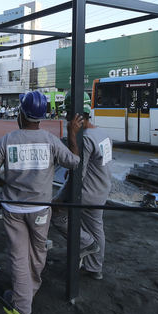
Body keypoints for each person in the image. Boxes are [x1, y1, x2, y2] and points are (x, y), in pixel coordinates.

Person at [0, 91, 82, 314]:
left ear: (21, 114)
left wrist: (3, 183)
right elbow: (74, 162)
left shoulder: (8, 140)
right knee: (38, 253)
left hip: (13, 209)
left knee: (18, 255)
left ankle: (22, 303)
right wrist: (72, 135)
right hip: (40, 210)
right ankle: (28, 290)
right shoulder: (50, 140)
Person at [52, 92, 112, 280]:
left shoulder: (84, 139)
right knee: (96, 227)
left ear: (73, 115)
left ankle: (85, 244)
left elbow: (77, 173)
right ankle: (95, 268)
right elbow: (101, 162)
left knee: (57, 214)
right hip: (101, 189)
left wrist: (61, 198)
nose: (66, 117)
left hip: (86, 193)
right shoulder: (102, 132)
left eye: (67, 113)